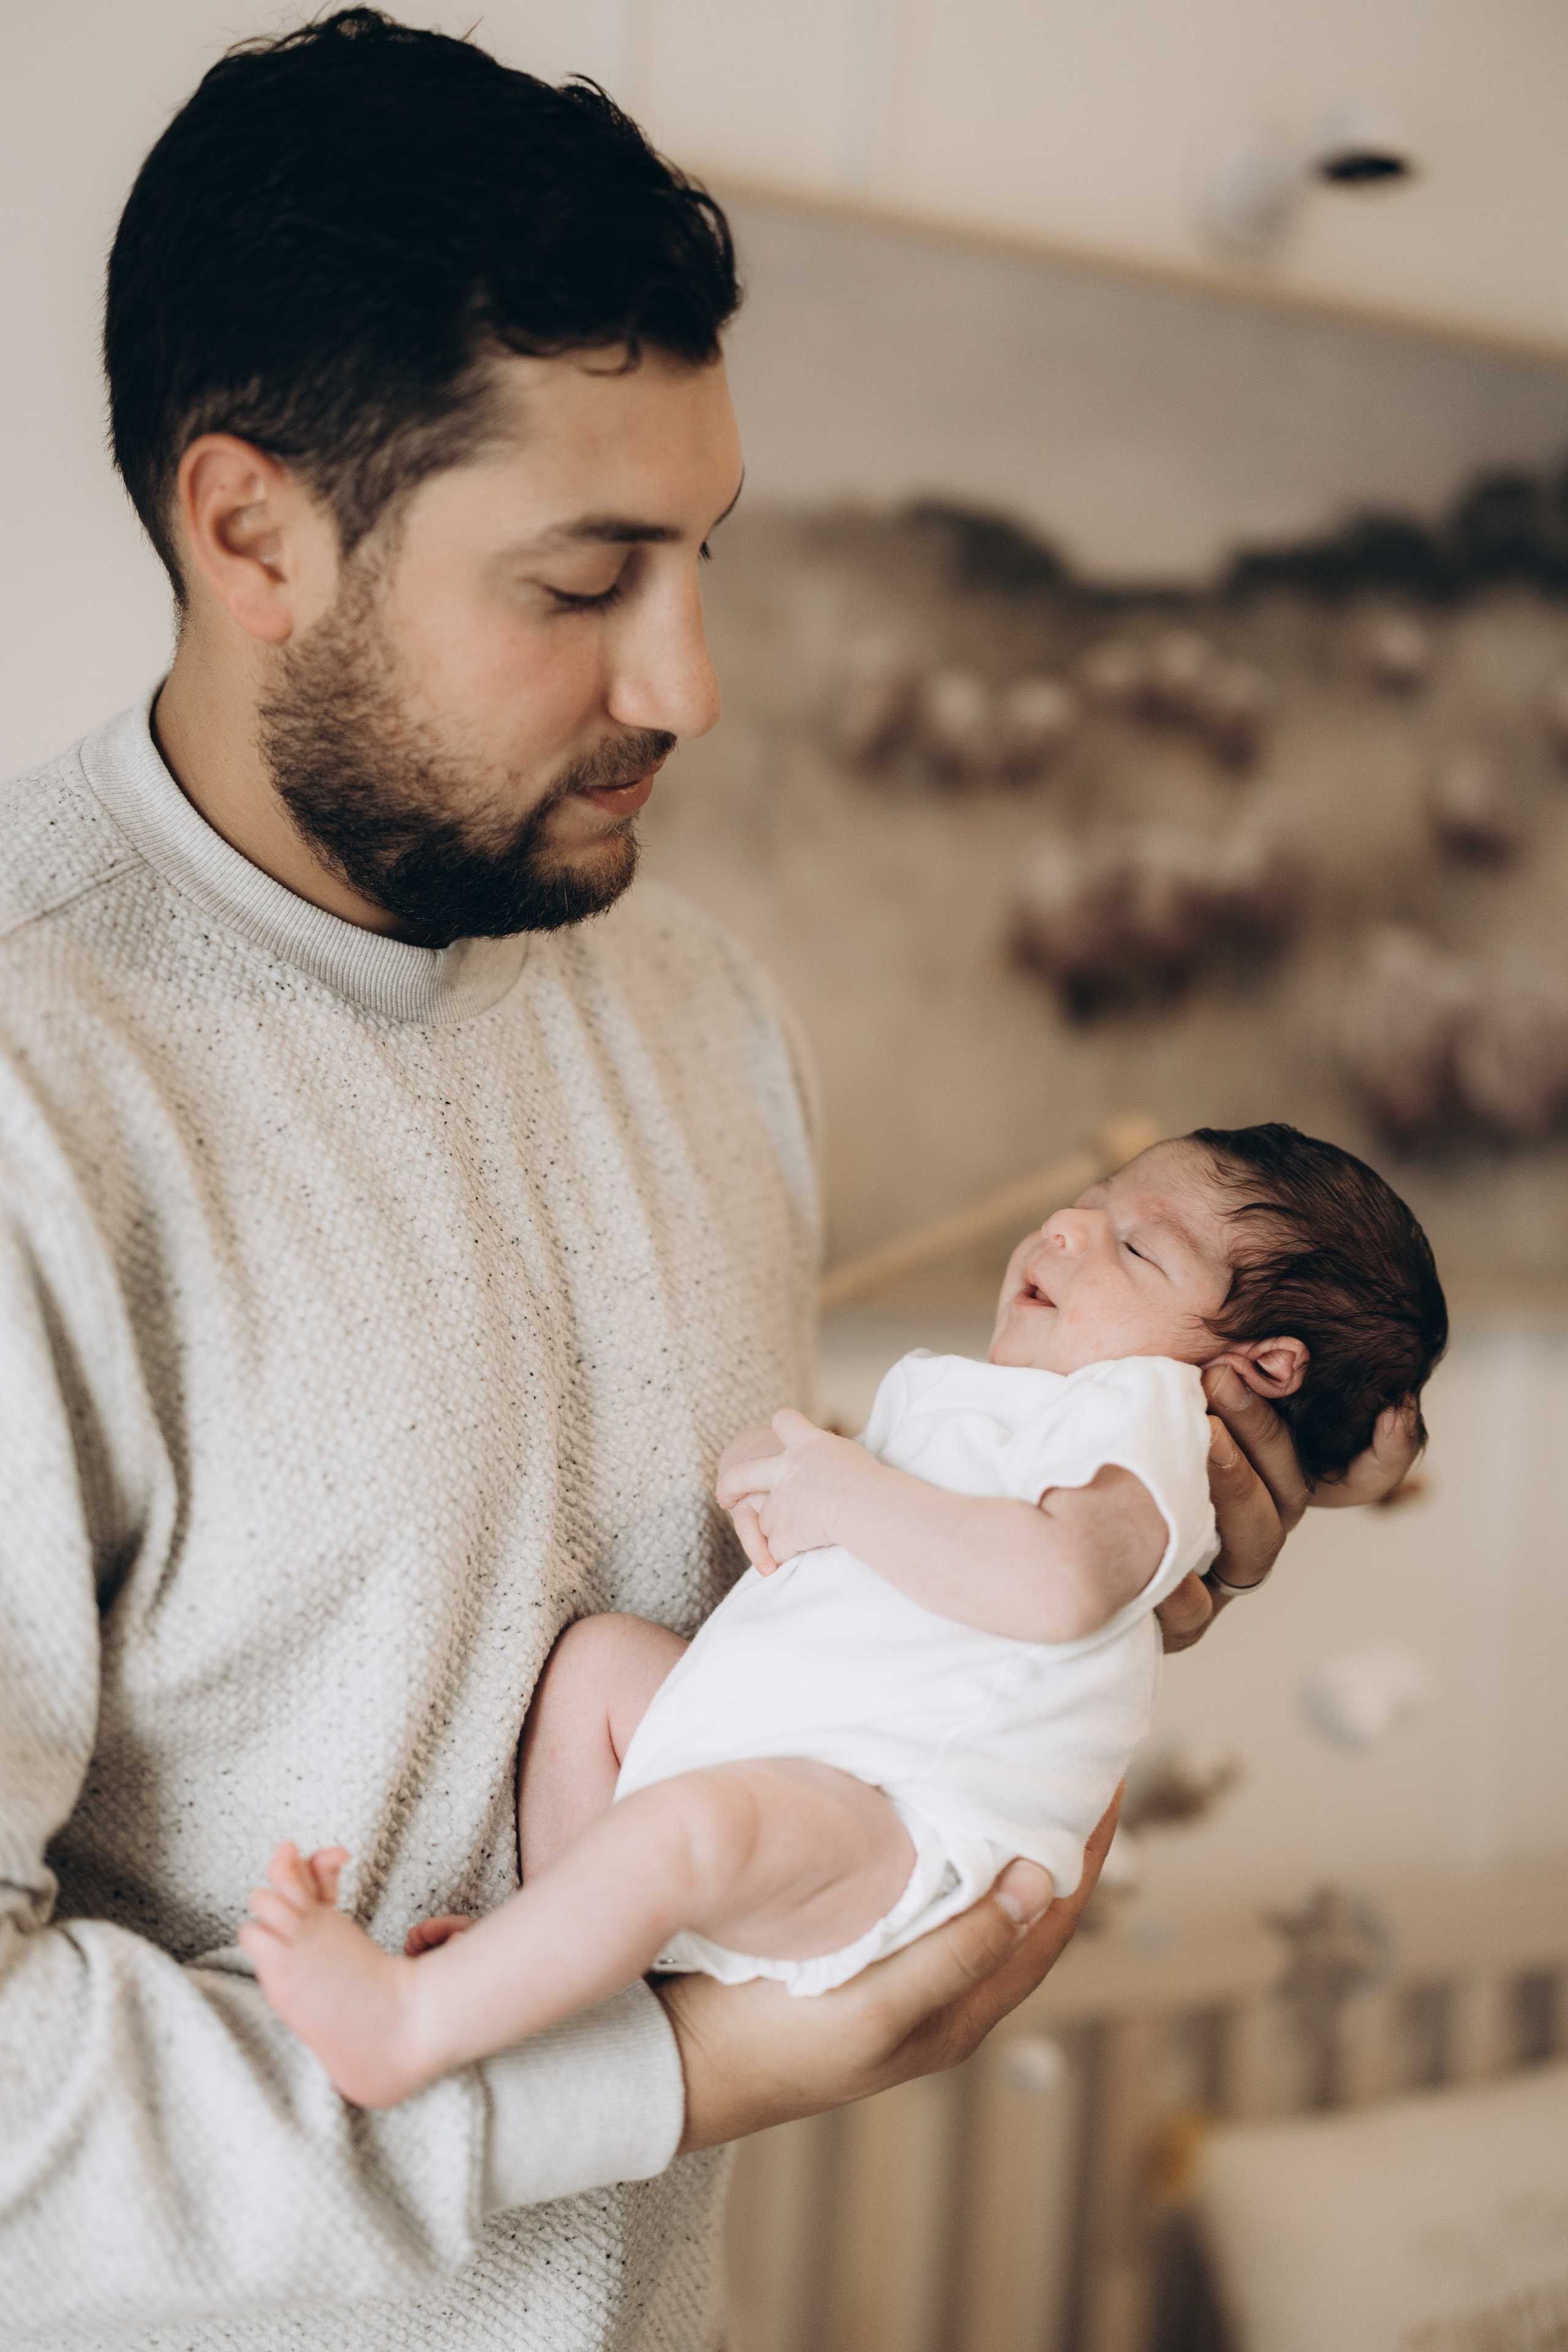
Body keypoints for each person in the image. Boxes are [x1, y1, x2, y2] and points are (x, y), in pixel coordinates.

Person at [0, 12, 1422, 2350]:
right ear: (251, 532)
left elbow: (754, 1634)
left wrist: (1088, 1562)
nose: (691, 682)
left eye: (705, 556)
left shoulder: (703, 1011)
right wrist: (659, 2081)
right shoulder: (37, 1089)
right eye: (587, 583)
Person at [236, 1123, 1445, 2108]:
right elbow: (852, 1511)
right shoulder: (998, 1404)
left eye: (1135, 1248)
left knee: (690, 1828)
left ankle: (410, 2024)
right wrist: (785, 1470)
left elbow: (1058, 1583)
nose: (1067, 1230)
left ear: (1259, 1369)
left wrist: (838, 1488)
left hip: (900, 1823)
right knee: (600, 1667)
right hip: (803, 1754)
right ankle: (556, 1959)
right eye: (1086, 1205)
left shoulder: (1154, 1421)